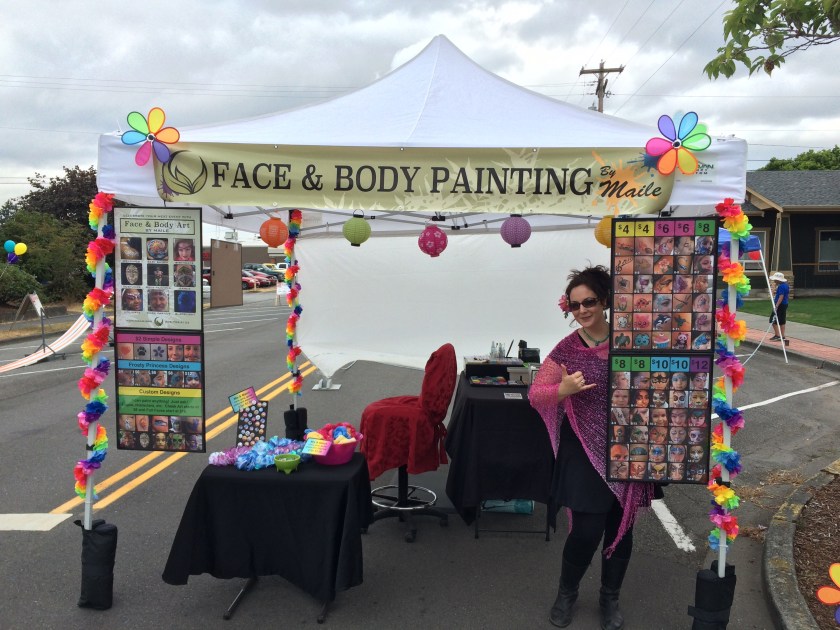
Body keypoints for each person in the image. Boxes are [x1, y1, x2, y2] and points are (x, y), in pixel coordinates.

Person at [530, 266, 654, 629]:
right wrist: (562, 390)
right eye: (575, 305)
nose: (582, 310)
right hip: (583, 446)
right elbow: (536, 394)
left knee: (621, 527)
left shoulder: (633, 340)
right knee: (586, 529)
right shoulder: (567, 349)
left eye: (589, 302)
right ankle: (567, 593)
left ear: (605, 301)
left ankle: (609, 597)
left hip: (630, 444)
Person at [769, 272, 790, 342]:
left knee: (773, 319)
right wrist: (774, 290)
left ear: (778, 280)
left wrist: (776, 306)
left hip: (780, 305)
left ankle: (777, 335)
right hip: (784, 304)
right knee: (782, 320)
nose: (774, 281)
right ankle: (782, 336)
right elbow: (782, 294)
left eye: (775, 279)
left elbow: (781, 297)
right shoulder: (785, 285)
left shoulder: (781, 286)